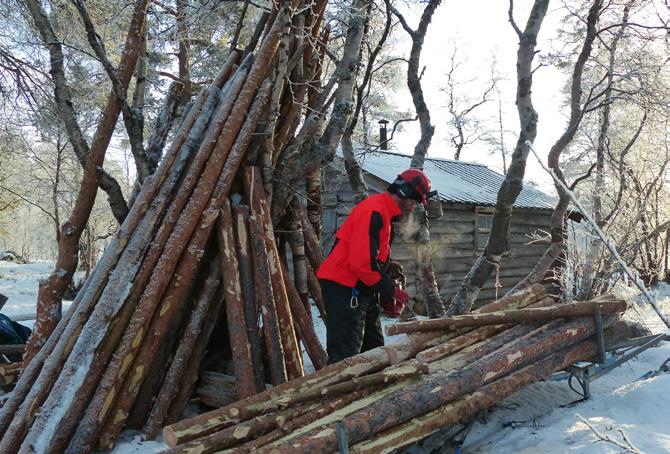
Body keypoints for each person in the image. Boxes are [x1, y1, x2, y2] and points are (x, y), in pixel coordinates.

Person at [317, 169, 435, 364]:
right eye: (415, 201)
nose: (414, 207)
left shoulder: (385, 213)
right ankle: (337, 391)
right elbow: (362, 264)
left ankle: (373, 386)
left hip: (361, 286)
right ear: (405, 192)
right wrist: (390, 290)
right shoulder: (374, 211)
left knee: (374, 348)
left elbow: (372, 255)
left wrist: (387, 272)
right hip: (345, 286)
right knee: (346, 356)